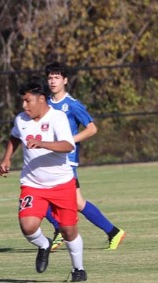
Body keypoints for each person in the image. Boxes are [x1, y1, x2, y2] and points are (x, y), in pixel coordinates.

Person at [0, 76, 87, 282]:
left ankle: (78, 269)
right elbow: (15, 137)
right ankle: (44, 245)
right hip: (32, 184)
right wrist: (6, 158)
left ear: (41, 99)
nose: (24, 106)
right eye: (22, 101)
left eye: (27, 101)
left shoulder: (57, 118)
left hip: (62, 184)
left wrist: (43, 143)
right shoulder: (21, 119)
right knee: (27, 227)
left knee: (68, 231)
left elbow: (68, 145)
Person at [44, 61, 125, 251]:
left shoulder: (72, 105)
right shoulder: (45, 103)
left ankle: (60, 230)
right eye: (50, 78)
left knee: (37, 194)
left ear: (65, 80)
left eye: (57, 77)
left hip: (67, 160)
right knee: (77, 202)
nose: (53, 81)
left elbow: (92, 129)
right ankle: (113, 232)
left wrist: (69, 141)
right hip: (50, 159)